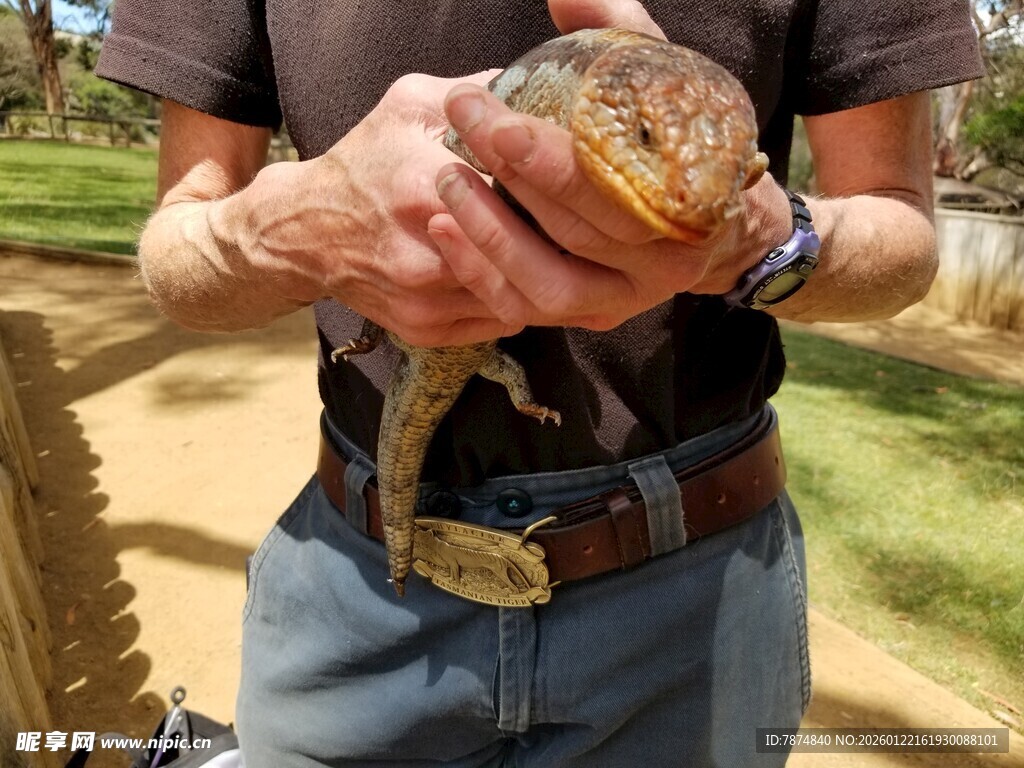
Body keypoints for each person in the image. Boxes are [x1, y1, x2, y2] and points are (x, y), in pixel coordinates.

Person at [96, 0, 982, 765]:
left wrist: (758, 242)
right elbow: (181, 249)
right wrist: (289, 233)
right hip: (351, 595)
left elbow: (900, 234)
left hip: (695, 611)